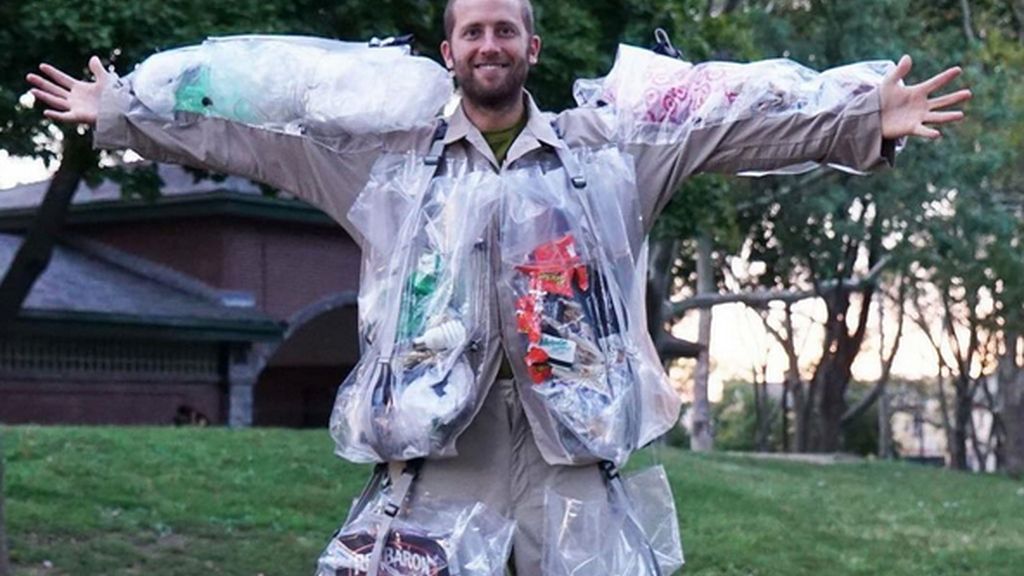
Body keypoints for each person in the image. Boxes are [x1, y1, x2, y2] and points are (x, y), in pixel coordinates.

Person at [27, 0, 970, 573]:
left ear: (531, 47)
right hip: (442, 458)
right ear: (448, 53)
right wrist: (122, 113)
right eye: (472, 30)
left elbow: (729, 130)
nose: (490, 43)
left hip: (574, 461)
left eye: (505, 30)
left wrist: (860, 118)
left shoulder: (607, 158)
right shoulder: (383, 168)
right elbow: (255, 138)